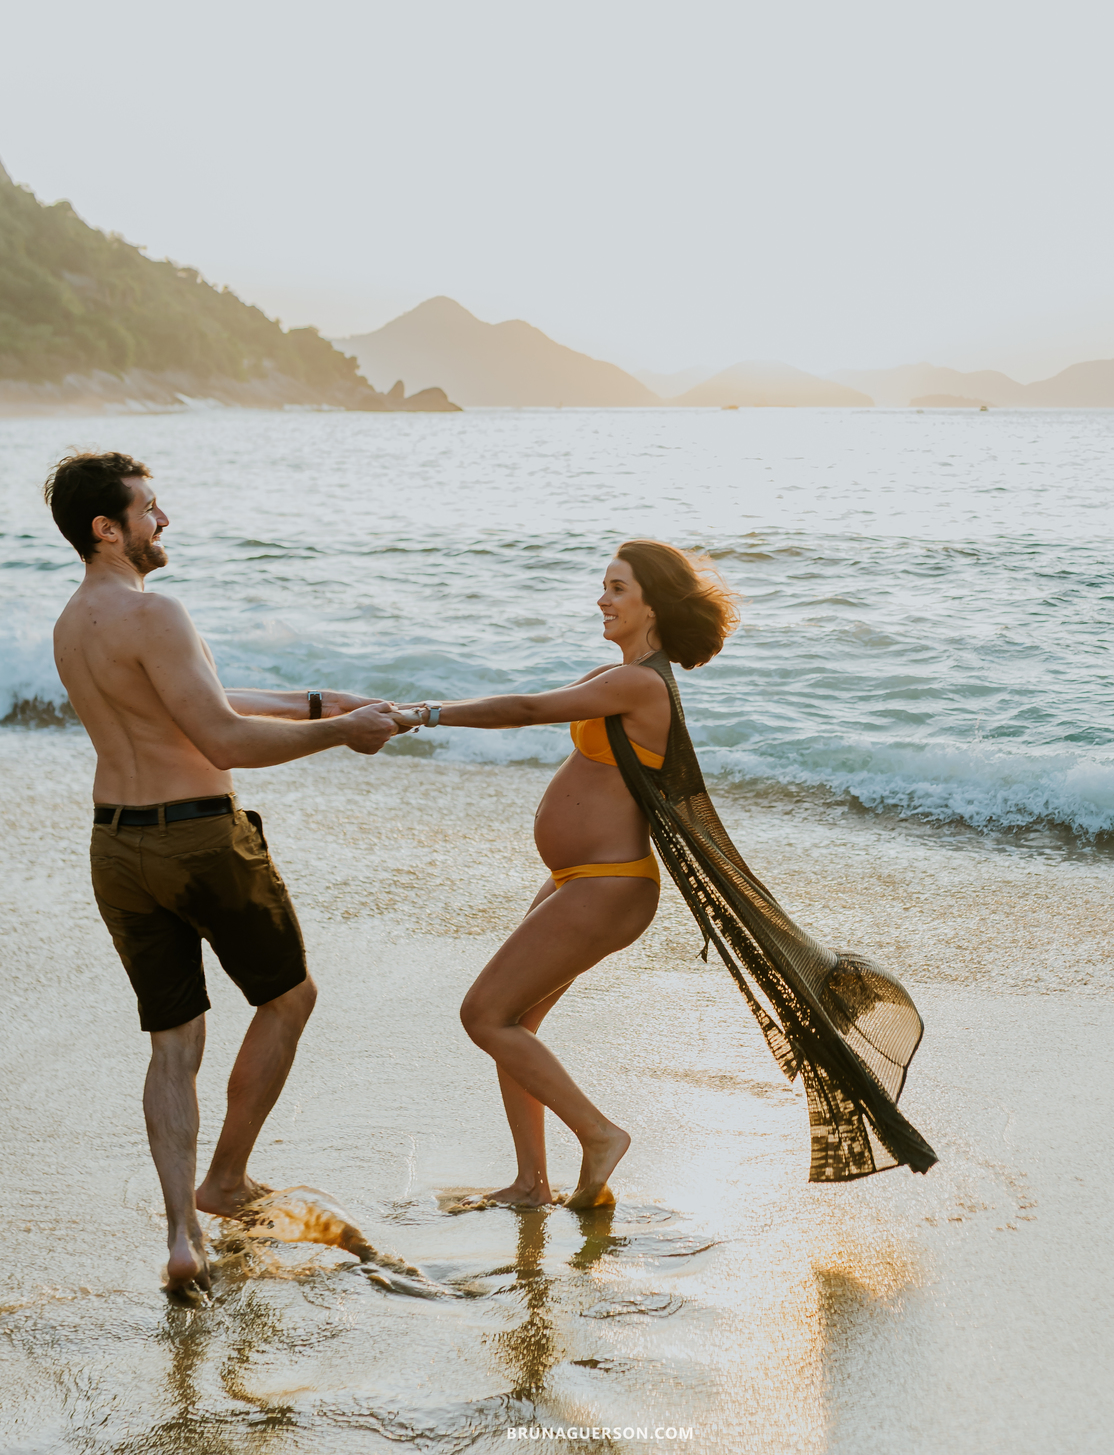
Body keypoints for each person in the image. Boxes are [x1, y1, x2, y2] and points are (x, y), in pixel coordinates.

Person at [398, 539, 937, 1206]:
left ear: (653, 604)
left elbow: (527, 710)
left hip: (608, 884)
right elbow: (529, 701)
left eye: (618, 588)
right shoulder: (616, 674)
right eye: (604, 585)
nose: (603, 598)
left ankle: (599, 1137)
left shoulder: (640, 683)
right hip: (581, 880)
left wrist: (422, 714)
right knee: (513, 1024)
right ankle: (532, 1184)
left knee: (484, 1015)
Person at [45, 450, 405, 1296]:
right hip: (201, 841)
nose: (161, 521)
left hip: (117, 847)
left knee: (174, 1044)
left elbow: (191, 698)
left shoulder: (71, 625)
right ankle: (228, 1180)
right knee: (290, 996)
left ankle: (181, 1239)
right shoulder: (158, 611)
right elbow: (224, 740)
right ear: (108, 528)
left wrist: (322, 702)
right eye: (148, 509)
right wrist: (344, 735)